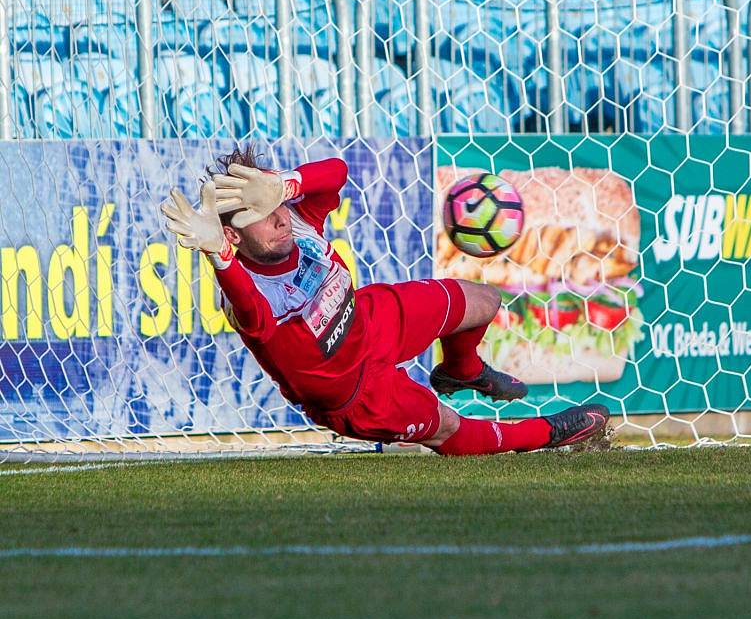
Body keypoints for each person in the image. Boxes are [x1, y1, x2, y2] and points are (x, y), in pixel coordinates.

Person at [161, 146, 610, 455]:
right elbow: (252, 314)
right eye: (260, 215)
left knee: (485, 301)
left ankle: (461, 370)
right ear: (233, 236)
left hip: (370, 321)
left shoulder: (294, 220)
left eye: (273, 204)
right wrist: (219, 257)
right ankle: (550, 433)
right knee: (448, 429)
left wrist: (283, 185)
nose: (278, 218)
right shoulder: (245, 291)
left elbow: (337, 171)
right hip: (355, 392)